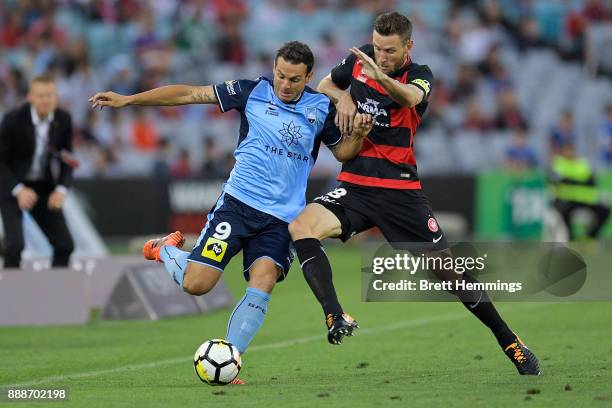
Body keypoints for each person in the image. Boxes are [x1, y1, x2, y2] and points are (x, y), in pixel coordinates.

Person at [89, 41, 373, 383]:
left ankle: (231, 359)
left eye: (294, 79)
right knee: (197, 284)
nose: (285, 84)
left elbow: (343, 152)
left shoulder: (320, 107)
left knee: (264, 278)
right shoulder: (252, 91)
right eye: (281, 75)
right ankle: (165, 249)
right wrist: (129, 100)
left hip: (283, 220)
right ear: (274, 68)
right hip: (237, 206)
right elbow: (190, 95)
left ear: (309, 76)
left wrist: (356, 135)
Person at [288, 12, 541, 375]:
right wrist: (342, 97)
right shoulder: (360, 58)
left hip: (400, 193)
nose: (381, 55)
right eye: (377, 47)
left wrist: (379, 77)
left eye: (389, 50)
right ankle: (335, 313)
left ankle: (509, 340)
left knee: (451, 274)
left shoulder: (419, 74)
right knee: (300, 227)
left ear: (408, 46)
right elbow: (327, 82)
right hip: (356, 186)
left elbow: (408, 98)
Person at [0, 74, 75, 269]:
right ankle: (8, 293)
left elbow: (68, 159)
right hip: (12, 187)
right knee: (14, 246)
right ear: (30, 97)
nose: (46, 100)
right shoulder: (13, 120)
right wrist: (18, 190)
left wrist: (61, 189)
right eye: (41, 95)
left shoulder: (63, 119)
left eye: (50, 95)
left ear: (56, 97)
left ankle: (56, 293)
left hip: (43, 187)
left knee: (65, 245)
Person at [549, 143, 610, 240]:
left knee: (605, 211)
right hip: (567, 200)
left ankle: (590, 237)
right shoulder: (558, 164)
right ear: (562, 152)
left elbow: (592, 181)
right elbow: (558, 180)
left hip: (586, 199)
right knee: (564, 212)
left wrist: (571, 180)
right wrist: (579, 181)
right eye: (567, 151)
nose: (570, 153)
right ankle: (571, 238)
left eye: (571, 150)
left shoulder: (582, 163)